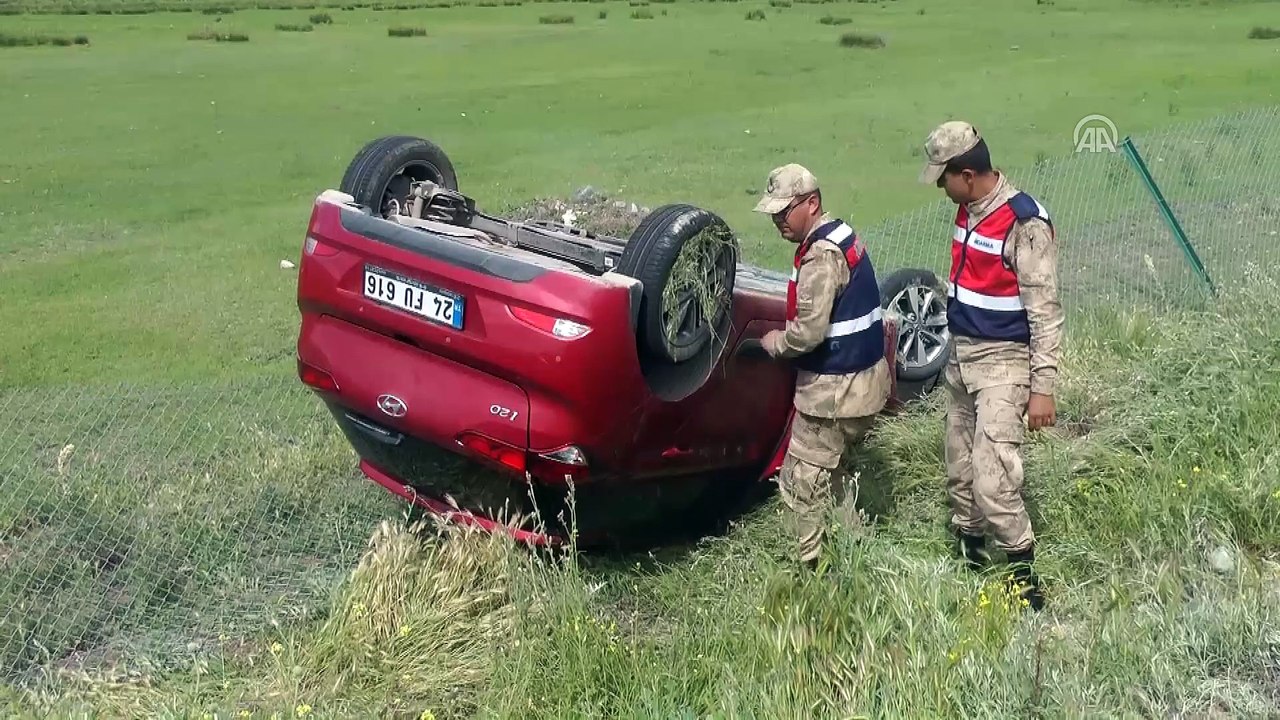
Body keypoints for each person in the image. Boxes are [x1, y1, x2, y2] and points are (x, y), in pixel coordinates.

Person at [918, 121, 1064, 611]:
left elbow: (1044, 310)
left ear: (966, 172)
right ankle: (970, 557)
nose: (941, 187)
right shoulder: (967, 209)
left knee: (992, 474)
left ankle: (1025, 581)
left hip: (1004, 364)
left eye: (944, 178)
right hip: (962, 359)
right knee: (958, 465)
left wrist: (1042, 387)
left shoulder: (1025, 223)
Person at [743, 162, 893, 570]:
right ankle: (856, 550)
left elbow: (807, 334)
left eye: (783, 211)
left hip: (834, 394)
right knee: (837, 474)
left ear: (811, 203)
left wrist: (776, 344)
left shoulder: (820, 257)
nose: (777, 220)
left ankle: (810, 569)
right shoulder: (842, 235)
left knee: (801, 483)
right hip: (866, 383)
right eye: (773, 213)